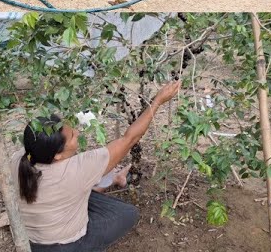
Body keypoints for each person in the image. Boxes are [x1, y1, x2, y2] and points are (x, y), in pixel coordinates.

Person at [17, 79, 183, 252]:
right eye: (73, 136)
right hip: (66, 246)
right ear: (58, 155)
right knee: (128, 214)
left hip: (32, 241)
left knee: (82, 189)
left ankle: (111, 181)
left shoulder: (22, 158)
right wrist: (157, 101)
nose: (78, 133)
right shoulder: (78, 169)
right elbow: (129, 139)